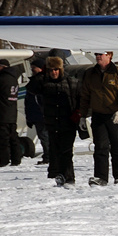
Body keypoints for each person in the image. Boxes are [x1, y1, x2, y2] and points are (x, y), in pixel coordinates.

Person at [79, 51, 118, 186]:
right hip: (98, 116)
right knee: (100, 147)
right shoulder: (90, 73)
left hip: (115, 116)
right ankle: (101, 177)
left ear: (109, 56)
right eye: (97, 54)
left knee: (117, 147)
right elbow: (85, 96)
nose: (98, 56)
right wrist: (83, 116)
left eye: (101, 54)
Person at [40, 57, 80, 186]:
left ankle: (68, 177)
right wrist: (42, 72)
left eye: (56, 69)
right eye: (51, 70)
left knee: (66, 151)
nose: (54, 72)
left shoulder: (71, 82)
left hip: (68, 122)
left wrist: (79, 114)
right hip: (52, 123)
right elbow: (32, 87)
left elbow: (81, 99)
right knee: (55, 152)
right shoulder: (44, 83)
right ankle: (61, 175)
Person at [0, 58, 22, 167]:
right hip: (12, 113)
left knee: (2, 138)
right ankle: (16, 159)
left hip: (1, 113)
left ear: (2, 67)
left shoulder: (0, 79)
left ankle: (4, 160)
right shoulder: (14, 79)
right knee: (13, 137)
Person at [25, 57, 48, 164]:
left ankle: (48, 156)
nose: (32, 70)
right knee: (43, 136)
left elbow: (38, 101)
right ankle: (48, 155)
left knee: (44, 136)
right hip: (37, 115)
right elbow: (29, 102)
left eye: (34, 68)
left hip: (42, 115)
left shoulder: (40, 81)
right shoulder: (34, 82)